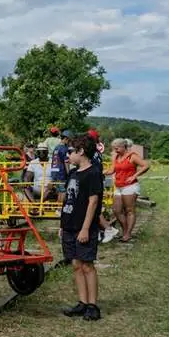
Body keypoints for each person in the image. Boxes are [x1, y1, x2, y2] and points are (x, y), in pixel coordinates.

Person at [60, 134, 103, 321]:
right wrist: (62, 225)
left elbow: (93, 202)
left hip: (84, 227)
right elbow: (68, 200)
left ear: (81, 151)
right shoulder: (72, 173)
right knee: (76, 265)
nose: (67, 155)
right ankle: (82, 302)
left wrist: (85, 229)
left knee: (87, 265)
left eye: (71, 151)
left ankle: (93, 305)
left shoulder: (93, 173)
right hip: (69, 226)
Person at [105, 138, 149, 242]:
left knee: (129, 210)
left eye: (117, 148)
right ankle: (125, 231)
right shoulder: (115, 156)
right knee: (116, 210)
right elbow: (112, 170)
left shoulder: (132, 156)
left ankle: (128, 234)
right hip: (119, 186)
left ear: (124, 146)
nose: (115, 150)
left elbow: (146, 165)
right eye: (114, 148)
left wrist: (135, 175)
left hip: (130, 187)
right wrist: (100, 171)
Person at [87, 129, 119, 244]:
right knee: (93, 208)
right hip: (98, 180)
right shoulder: (96, 151)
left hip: (94, 181)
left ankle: (108, 229)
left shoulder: (90, 151)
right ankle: (98, 232)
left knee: (93, 208)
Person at [50, 129, 72, 205]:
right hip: (61, 173)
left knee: (59, 191)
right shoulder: (64, 149)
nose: (69, 143)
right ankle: (59, 210)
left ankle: (57, 208)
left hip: (54, 173)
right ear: (66, 139)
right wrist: (69, 173)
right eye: (69, 141)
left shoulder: (56, 148)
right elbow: (66, 162)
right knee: (63, 191)